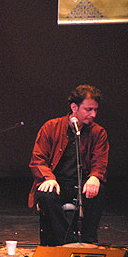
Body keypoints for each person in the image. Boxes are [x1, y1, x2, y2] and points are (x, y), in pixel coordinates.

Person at [29, 84, 109, 246]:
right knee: (46, 195)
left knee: (98, 190)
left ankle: (88, 241)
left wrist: (95, 177)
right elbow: (38, 159)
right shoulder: (51, 127)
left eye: (95, 110)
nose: (93, 114)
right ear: (74, 107)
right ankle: (65, 242)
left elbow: (100, 160)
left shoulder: (98, 132)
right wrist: (49, 178)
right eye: (88, 109)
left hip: (81, 183)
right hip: (57, 182)